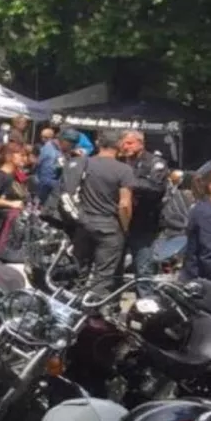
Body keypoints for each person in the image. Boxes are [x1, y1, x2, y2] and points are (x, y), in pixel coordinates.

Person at [73, 130, 136, 296]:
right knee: (103, 277)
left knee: (80, 272)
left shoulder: (85, 163)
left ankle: (73, 307)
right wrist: (125, 227)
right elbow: (124, 204)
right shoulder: (124, 170)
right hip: (109, 227)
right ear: (120, 145)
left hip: (83, 224)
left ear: (98, 144)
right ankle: (92, 314)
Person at [118, 130, 173, 277]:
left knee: (143, 268)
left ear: (141, 144)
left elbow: (157, 188)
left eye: (129, 143)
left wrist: (128, 182)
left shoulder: (155, 162)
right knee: (115, 267)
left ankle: (145, 298)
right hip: (118, 221)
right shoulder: (119, 162)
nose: (125, 147)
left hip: (144, 222)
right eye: (123, 143)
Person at [33, 126, 63, 203]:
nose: (41, 139)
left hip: (44, 180)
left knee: (39, 202)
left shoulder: (45, 148)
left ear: (48, 138)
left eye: (43, 137)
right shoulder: (59, 149)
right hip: (55, 180)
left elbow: (38, 163)